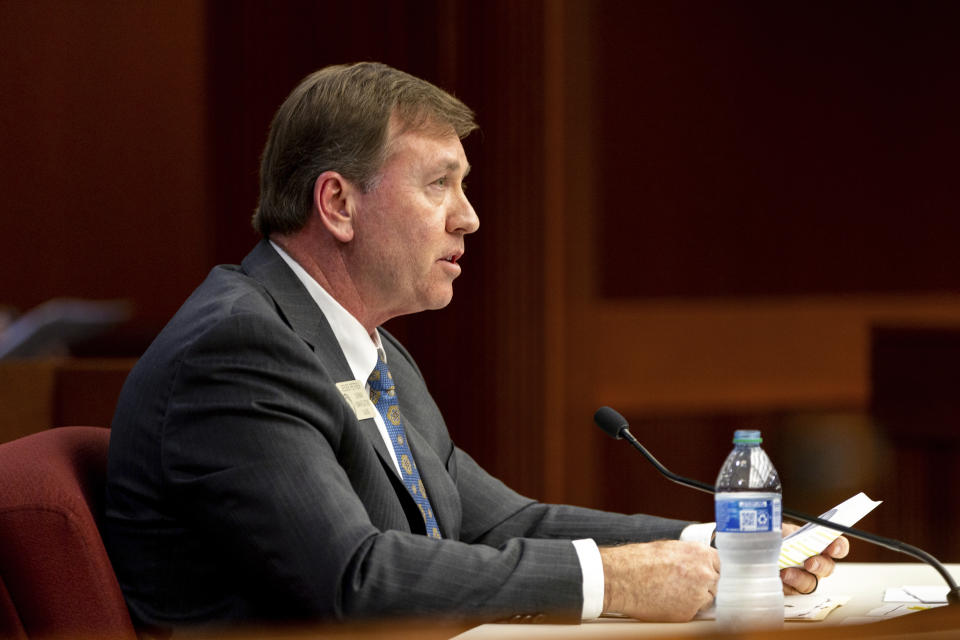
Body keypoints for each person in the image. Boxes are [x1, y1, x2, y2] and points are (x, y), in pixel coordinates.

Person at [104, 62, 847, 630]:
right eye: (440, 184)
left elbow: (497, 522)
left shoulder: (367, 346)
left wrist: (716, 542)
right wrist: (616, 582)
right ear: (337, 203)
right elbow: (354, 582)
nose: (470, 219)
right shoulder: (240, 350)